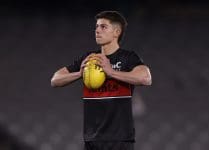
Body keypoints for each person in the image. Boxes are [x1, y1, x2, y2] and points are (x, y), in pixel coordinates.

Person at [51, 11, 152, 150]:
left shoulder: (128, 57)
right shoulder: (88, 59)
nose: (97, 30)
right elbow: (55, 80)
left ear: (116, 32)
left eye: (103, 27)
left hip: (120, 139)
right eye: (97, 27)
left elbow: (145, 78)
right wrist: (79, 73)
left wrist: (111, 72)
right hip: (92, 139)